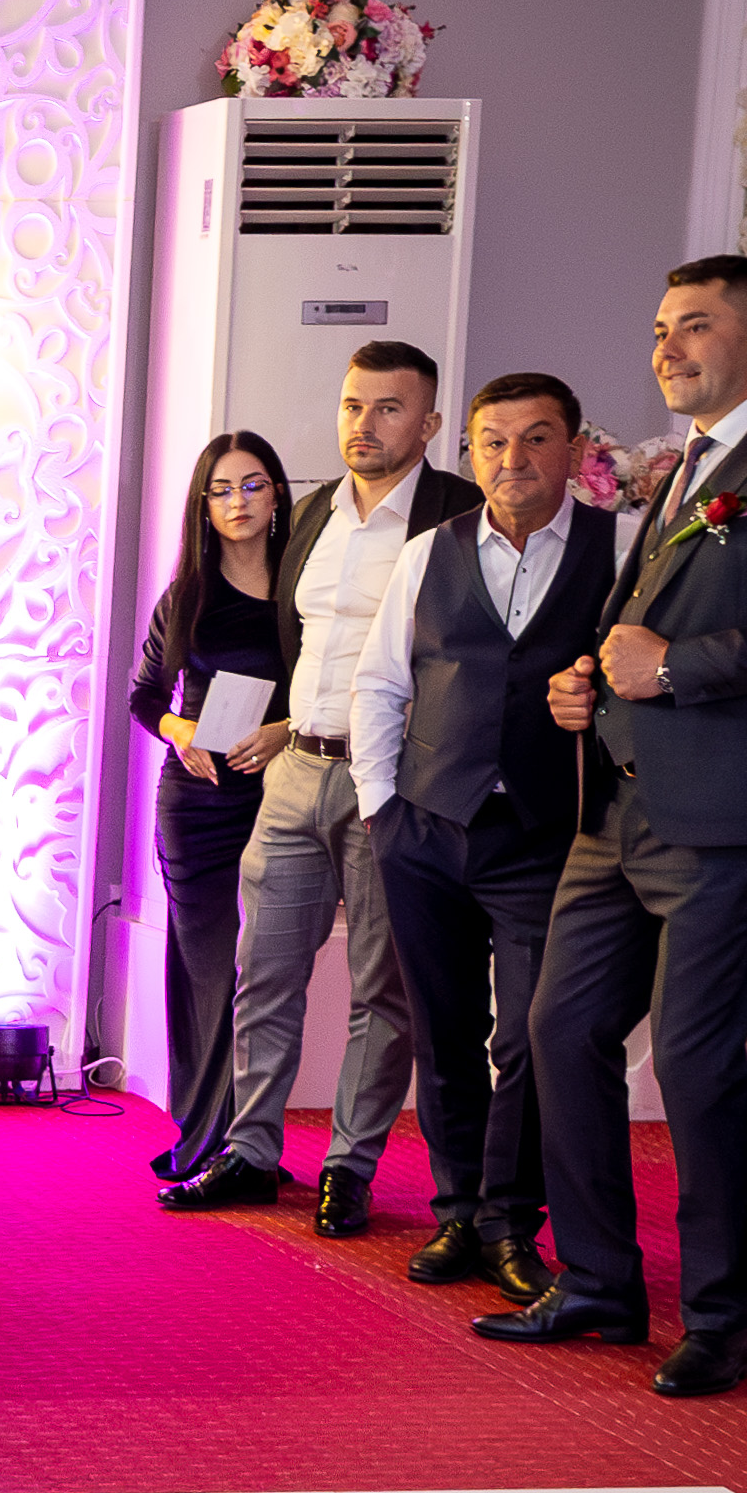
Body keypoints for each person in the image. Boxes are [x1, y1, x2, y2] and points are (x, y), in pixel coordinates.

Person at [484, 256, 747, 1394]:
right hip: (619, 804)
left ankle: (717, 1315)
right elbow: (638, 629)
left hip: (735, 814)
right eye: (661, 329)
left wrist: (677, 669)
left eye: (695, 326)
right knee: (558, 1028)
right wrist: (588, 684)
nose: (667, 348)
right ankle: (600, 1282)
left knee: (695, 1058)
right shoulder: (686, 468)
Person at [168, 342, 474, 1226]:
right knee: (262, 971)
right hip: (297, 773)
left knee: (383, 988)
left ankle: (350, 1164)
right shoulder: (310, 514)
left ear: (429, 423)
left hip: (393, 782)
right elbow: (292, 645)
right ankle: (252, 1153)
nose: (363, 424)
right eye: (352, 405)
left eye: (387, 408)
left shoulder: (458, 516)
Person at [355, 373, 613, 1311]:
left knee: (531, 1035)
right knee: (444, 1029)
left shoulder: (616, 548)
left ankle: (511, 1220)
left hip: (545, 834)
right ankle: (458, 1209)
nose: (514, 459)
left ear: (574, 450)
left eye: (537, 438)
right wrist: (381, 809)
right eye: (494, 441)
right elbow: (381, 683)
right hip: (425, 825)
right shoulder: (430, 551)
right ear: (469, 453)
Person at [131, 433, 293, 1183]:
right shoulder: (187, 595)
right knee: (206, 970)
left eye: (252, 485)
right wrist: (180, 729)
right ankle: (204, 1137)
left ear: (277, 493)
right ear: (203, 505)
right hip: (196, 803)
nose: (238, 502)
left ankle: (245, 1141)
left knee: (265, 973)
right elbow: (144, 698)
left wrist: (284, 729)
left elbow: (332, 687)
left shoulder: (303, 587)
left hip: (283, 796)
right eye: (222, 490)